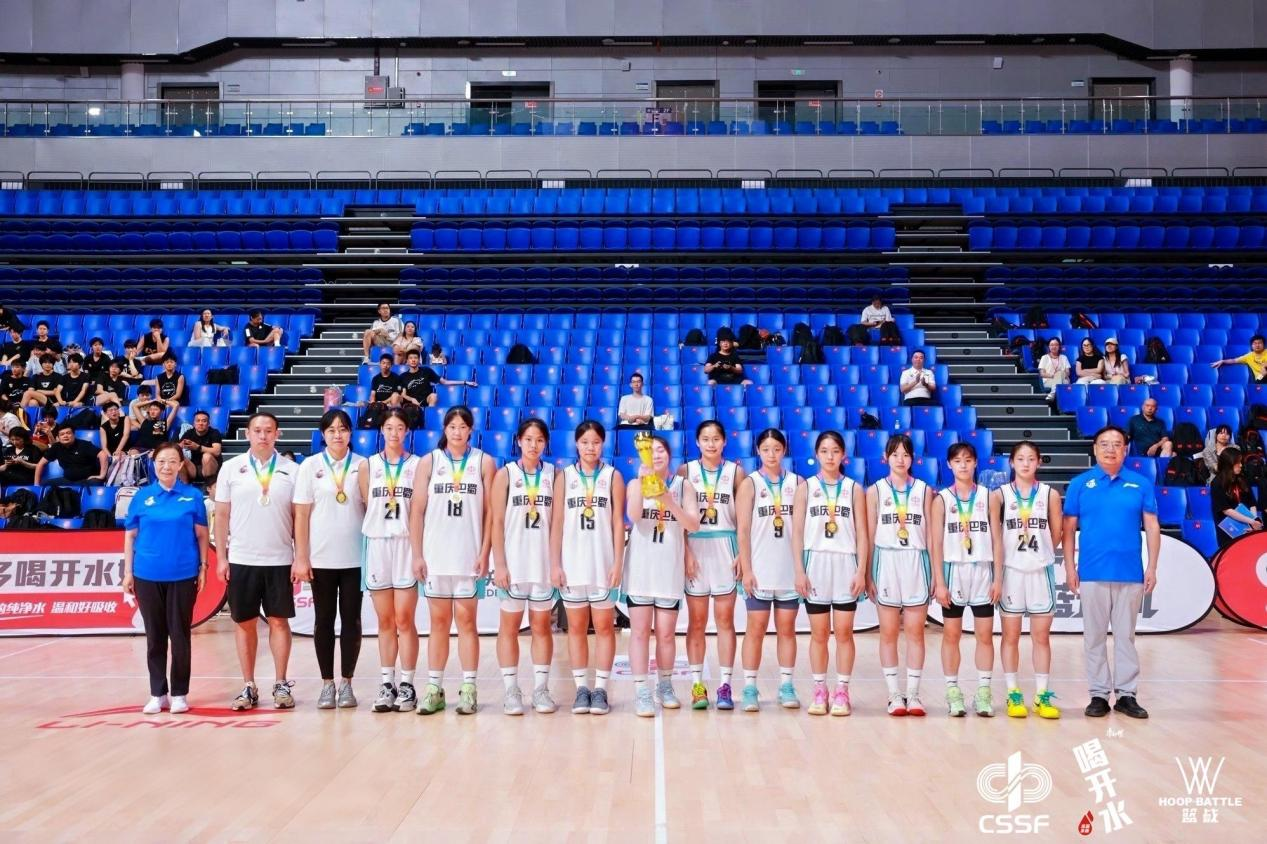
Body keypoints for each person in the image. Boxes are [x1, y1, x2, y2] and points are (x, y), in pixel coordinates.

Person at [1063, 424, 1159, 720]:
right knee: (1093, 636)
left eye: (1117, 444)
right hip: (1092, 572)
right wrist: (1070, 567)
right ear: (1095, 449)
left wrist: (1152, 566)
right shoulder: (1080, 484)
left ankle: (1127, 694)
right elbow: (1068, 529)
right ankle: (1098, 694)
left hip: (1130, 572)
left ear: (1125, 449)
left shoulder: (1141, 483)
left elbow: (1152, 525)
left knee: (1125, 636)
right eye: (1104, 443)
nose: (1110, 449)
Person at [411, 405, 496, 716]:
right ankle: (434, 689)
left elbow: (490, 513)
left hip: (468, 557)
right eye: (452, 427)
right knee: (438, 624)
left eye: (463, 426)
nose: (457, 432)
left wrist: (484, 552)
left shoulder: (484, 462)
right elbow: (416, 511)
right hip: (435, 556)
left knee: (467, 623)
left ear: (471, 430)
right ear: (444, 430)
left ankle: (469, 688)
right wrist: (417, 554)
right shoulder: (429, 462)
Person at [214, 413, 300, 711]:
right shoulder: (230, 468)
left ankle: (281, 683)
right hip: (242, 558)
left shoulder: (293, 470)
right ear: (247, 434)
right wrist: (221, 557)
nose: (263, 436)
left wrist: (300, 556)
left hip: (280, 559)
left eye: (268, 431)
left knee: (279, 621)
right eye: (257, 431)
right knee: (244, 623)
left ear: (277, 434)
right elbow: (221, 515)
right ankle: (249, 685)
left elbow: (300, 518)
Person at [121, 441, 210, 714]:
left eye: (172, 461)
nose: (166, 466)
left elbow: (202, 535)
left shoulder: (192, 496)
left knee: (180, 635)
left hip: (183, 574)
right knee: (155, 636)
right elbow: (130, 536)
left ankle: (180, 693)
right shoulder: (142, 497)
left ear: (181, 464)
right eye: (161, 461)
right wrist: (128, 572)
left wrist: (203, 566)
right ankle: (157, 693)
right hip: (147, 574)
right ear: (154, 464)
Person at [550, 420, 625, 716]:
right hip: (572, 564)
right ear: (576, 444)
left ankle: (601, 689)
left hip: (602, 563)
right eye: (585, 442)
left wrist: (618, 561)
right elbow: (557, 523)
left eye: (595, 442)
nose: (590, 448)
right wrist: (555, 563)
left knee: (605, 627)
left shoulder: (613, 476)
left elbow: (618, 523)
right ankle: (582, 688)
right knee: (576, 628)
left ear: (603, 444)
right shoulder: (564, 477)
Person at [791, 430, 869, 716]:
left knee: (845, 632)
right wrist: (799, 571)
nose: (830, 456)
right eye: (824, 451)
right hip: (816, 564)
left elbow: (863, 534)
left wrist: (861, 571)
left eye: (835, 451)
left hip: (846, 563)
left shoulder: (854, 489)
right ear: (816, 455)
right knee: (819, 633)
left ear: (843, 455)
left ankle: (842, 690)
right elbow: (797, 533)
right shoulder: (806, 488)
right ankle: (820, 689)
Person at [292, 409, 366, 709]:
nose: (338, 434)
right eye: (332, 430)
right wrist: (301, 557)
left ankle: (347, 682)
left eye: (343, 429)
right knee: (323, 620)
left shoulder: (362, 465)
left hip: (355, 558)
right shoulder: (310, 466)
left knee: (352, 620)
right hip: (320, 558)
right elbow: (301, 515)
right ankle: (327, 683)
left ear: (350, 433)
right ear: (323, 434)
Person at [624, 435, 701, 717]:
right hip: (641, 568)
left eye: (661, 451)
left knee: (666, 634)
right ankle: (642, 691)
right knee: (640, 632)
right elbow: (633, 516)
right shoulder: (635, 484)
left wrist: (668, 501)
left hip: (669, 567)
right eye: (651, 451)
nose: (656, 455)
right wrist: (642, 483)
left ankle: (665, 686)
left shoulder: (683, 486)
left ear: (669, 456)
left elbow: (693, 525)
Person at [490, 419, 559, 715]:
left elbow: (558, 523)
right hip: (514, 563)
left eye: (539, 440)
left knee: (542, 627)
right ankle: (511, 691)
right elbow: (496, 522)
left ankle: (541, 689)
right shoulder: (506, 474)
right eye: (528, 439)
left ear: (545, 444)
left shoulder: (554, 474)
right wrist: (499, 564)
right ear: (518, 440)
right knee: (509, 628)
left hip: (542, 563)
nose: (534, 445)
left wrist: (556, 563)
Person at [358, 409, 423, 713]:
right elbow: (365, 504)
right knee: (385, 621)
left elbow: (420, 510)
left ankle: (407, 684)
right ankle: (387, 683)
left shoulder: (418, 465)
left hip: (406, 543)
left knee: (404, 619)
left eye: (399, 428)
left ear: (407, 432)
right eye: (389, 427)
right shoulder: (368, 466)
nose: (394, 433)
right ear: (381, 431)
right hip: (378, 543)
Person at [995, 441, 1065, 720]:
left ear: (1038, 462)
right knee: (1010, 636)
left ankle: (1041, 695)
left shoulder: (1050, 494)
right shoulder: (999, 495)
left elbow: (1057, 534)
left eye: (1031, 459)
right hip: (1011, 571)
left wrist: (1040, 554)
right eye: (1021, 459)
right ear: (1011, 462)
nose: (1026, 463)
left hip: (1040, 570)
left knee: (1041, 637)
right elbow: (995, 536)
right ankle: (1013, 693)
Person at [930, 442, 1000, 718]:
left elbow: (997, 540)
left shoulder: (988, 496)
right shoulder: (941, 500)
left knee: (985, 635)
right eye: (957, 460)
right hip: (953, 571)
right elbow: (936, 543)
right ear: (949, 464)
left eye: (968, 460)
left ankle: (983, 693)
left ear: (975, 463)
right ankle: (953, 692)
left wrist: (998, 578)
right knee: (951, 634)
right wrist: (939, 581)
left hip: (982, 570)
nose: (963, 465)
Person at [679, 420, 746, 711]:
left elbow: (744, 518)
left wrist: (743, 553)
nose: (710, 443)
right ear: (697, 442)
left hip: (725, 546)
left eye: (716, 438)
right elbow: (679, 518)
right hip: (696, 546)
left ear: (724, 441)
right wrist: (685, 552)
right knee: (696, 622)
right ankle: (697, 685)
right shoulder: (685, 471)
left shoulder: (735, 472)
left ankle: (725, 685)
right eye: (705, 438)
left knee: (725, 621)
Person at [736, 428, 802, 712]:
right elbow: (743, 530)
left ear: (784, 450)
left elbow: (801, 530)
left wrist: (801, 570)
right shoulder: (750, 483)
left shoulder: (798, 483)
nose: (771, 454)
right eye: (766, 449)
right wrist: (747, 568)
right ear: (758, 451)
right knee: (755, 629)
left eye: (776, 449)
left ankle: (786, 686)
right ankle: (750, 687)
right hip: (759, 568)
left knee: (787, 629)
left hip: (788, 569)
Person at [866, 433, 932, 717]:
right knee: (889, 632)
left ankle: (913, 694)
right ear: (886, 458)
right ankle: (894, 695)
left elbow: (931, 535)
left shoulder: (924, 490)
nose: (900, 460)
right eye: (895, 455)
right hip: (887, 560)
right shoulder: (875, 491)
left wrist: (936, 574)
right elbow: (869, 535)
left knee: (916, 632)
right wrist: (868, 573)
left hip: (916, 559)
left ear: (913, 458)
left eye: (905, 454)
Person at [397, 349, 473, 420]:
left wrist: (465, 382)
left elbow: (444, 382)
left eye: (415, 358)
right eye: (410, 358)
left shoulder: (426, 371)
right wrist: (412, 399)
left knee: (433, 395)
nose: (413, 360)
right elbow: (403, 394)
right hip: (412, 405)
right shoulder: (403, 376)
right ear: (407, 360)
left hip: (426, 400)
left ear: (419, 360)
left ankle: (429, 418)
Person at [1212, 448, 1260, 549]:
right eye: (1238, 463)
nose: (1241, 465)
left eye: (1241, 462)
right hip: (1229, 529)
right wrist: (1251, 522)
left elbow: (1252, 504)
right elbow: (1226, 510)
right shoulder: (1217, 483)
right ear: (1228, 464)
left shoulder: (1242, 479)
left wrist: (1253, 521)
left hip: (1248, 527)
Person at [34, 424, 107, 487]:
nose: (65, 436)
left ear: (74, 435)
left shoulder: (84, 445)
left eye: (68, 433)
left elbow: (103, 455)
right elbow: (40, 464)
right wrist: (36, 485)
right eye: (62, 434)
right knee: (44, 484)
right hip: (68, 480)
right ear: (58, 438)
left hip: (86, 480)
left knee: (95, 483)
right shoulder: (56, 447)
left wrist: (102, 475)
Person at [177, 410, 223, 484]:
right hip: (194, 468)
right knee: (179, 458)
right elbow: (177, 447)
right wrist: (180, 446)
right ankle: (185, 486)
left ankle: (209, 484)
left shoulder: (214, 432)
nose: (200, 423)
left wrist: (198, 447)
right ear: (194, 423)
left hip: (212, 468)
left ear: (208, 423)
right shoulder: (189, 433)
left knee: (206, 456)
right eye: (198, 421)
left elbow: (217, 451)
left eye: (204, 421)